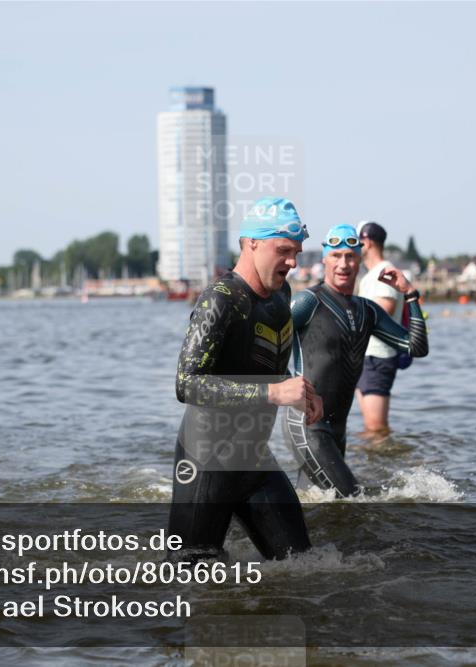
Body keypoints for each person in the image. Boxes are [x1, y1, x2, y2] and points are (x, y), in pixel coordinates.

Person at [168, 197, 322, 562]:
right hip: (207, 463)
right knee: (189, 581)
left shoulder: (280, 295)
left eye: (297, 252)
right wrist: (274, 392)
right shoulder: (220, 299)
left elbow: (256, 361)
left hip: (254, 460)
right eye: (283, 250)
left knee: (305, 571)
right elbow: (187, 384)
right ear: (252, 243)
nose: (292, 262)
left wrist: (301, 390)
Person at [286, 224, 429, 497]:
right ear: (325, 260)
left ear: (359, 259)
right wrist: (286, 384)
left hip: (337, 431)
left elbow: (416, 347)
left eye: (350, 256)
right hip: (306, 426)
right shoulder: (308, 301)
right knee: (354, 501)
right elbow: (270, 344)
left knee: (317, 506)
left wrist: (410, 294)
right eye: (336, 256)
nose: (343, 264)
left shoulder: (368, 311)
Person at [352, 222, 413, 434]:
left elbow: (384, 309)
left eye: (356, 242)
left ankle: (387, 463)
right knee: (371, 428)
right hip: (368, 356)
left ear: (366, 243)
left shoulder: (383, 272)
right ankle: (373, 464)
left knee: (376, 428)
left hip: (378, 357)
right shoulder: (372, 274)